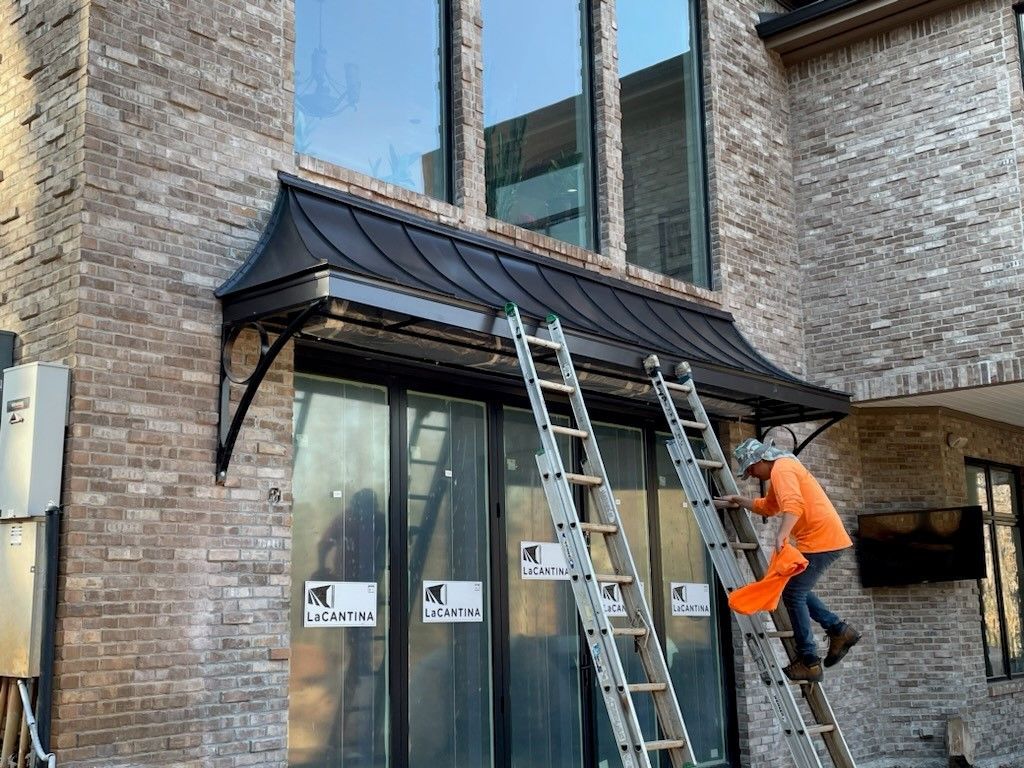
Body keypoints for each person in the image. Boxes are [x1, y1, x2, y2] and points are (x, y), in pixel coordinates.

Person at [714, 438, 861, 682]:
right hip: (824, 539)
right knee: (794, 589)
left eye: (751, 468)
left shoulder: (782, 468)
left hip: (822, 540)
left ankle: (809, 661)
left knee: (794, 593)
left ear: (761, 459)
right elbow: (768, 507)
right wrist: (739, 501)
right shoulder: (781, 469)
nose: (752, 474)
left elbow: (794, 505)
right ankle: (838, 630)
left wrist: (782, 534)